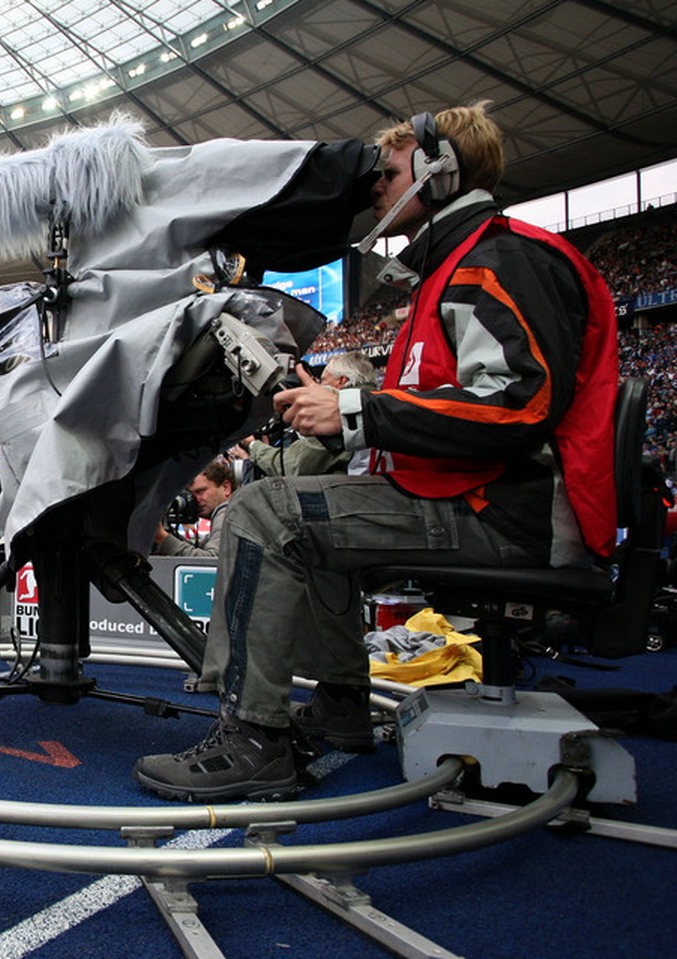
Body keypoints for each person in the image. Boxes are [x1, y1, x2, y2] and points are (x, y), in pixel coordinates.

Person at [134, 102, 619, 802]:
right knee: (315, 522)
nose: (376, 189)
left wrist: (354, 411)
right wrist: (339, 417)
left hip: (504, 509)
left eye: (389, 173)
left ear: (438, 171)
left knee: (261, 513)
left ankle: (253, 738)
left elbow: (517, 404)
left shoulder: (498, 260)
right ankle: (340, 704)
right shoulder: (459, 266)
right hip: (474, 496)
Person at [229, 351, 379, 478]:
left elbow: (290, 467)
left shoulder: (337, 411)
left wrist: (253, 445)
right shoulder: (380, 404)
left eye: (323, 381)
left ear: (341, 381)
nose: (318, 386)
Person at [153, 460, 235, 556]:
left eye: (200, 491)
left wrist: (162, 538)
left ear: (226, 488)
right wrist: (168, 534)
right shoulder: (236, 510)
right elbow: (200, 550)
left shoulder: (228, 513)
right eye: (191, 494)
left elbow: (211, 562)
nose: (195, 500)